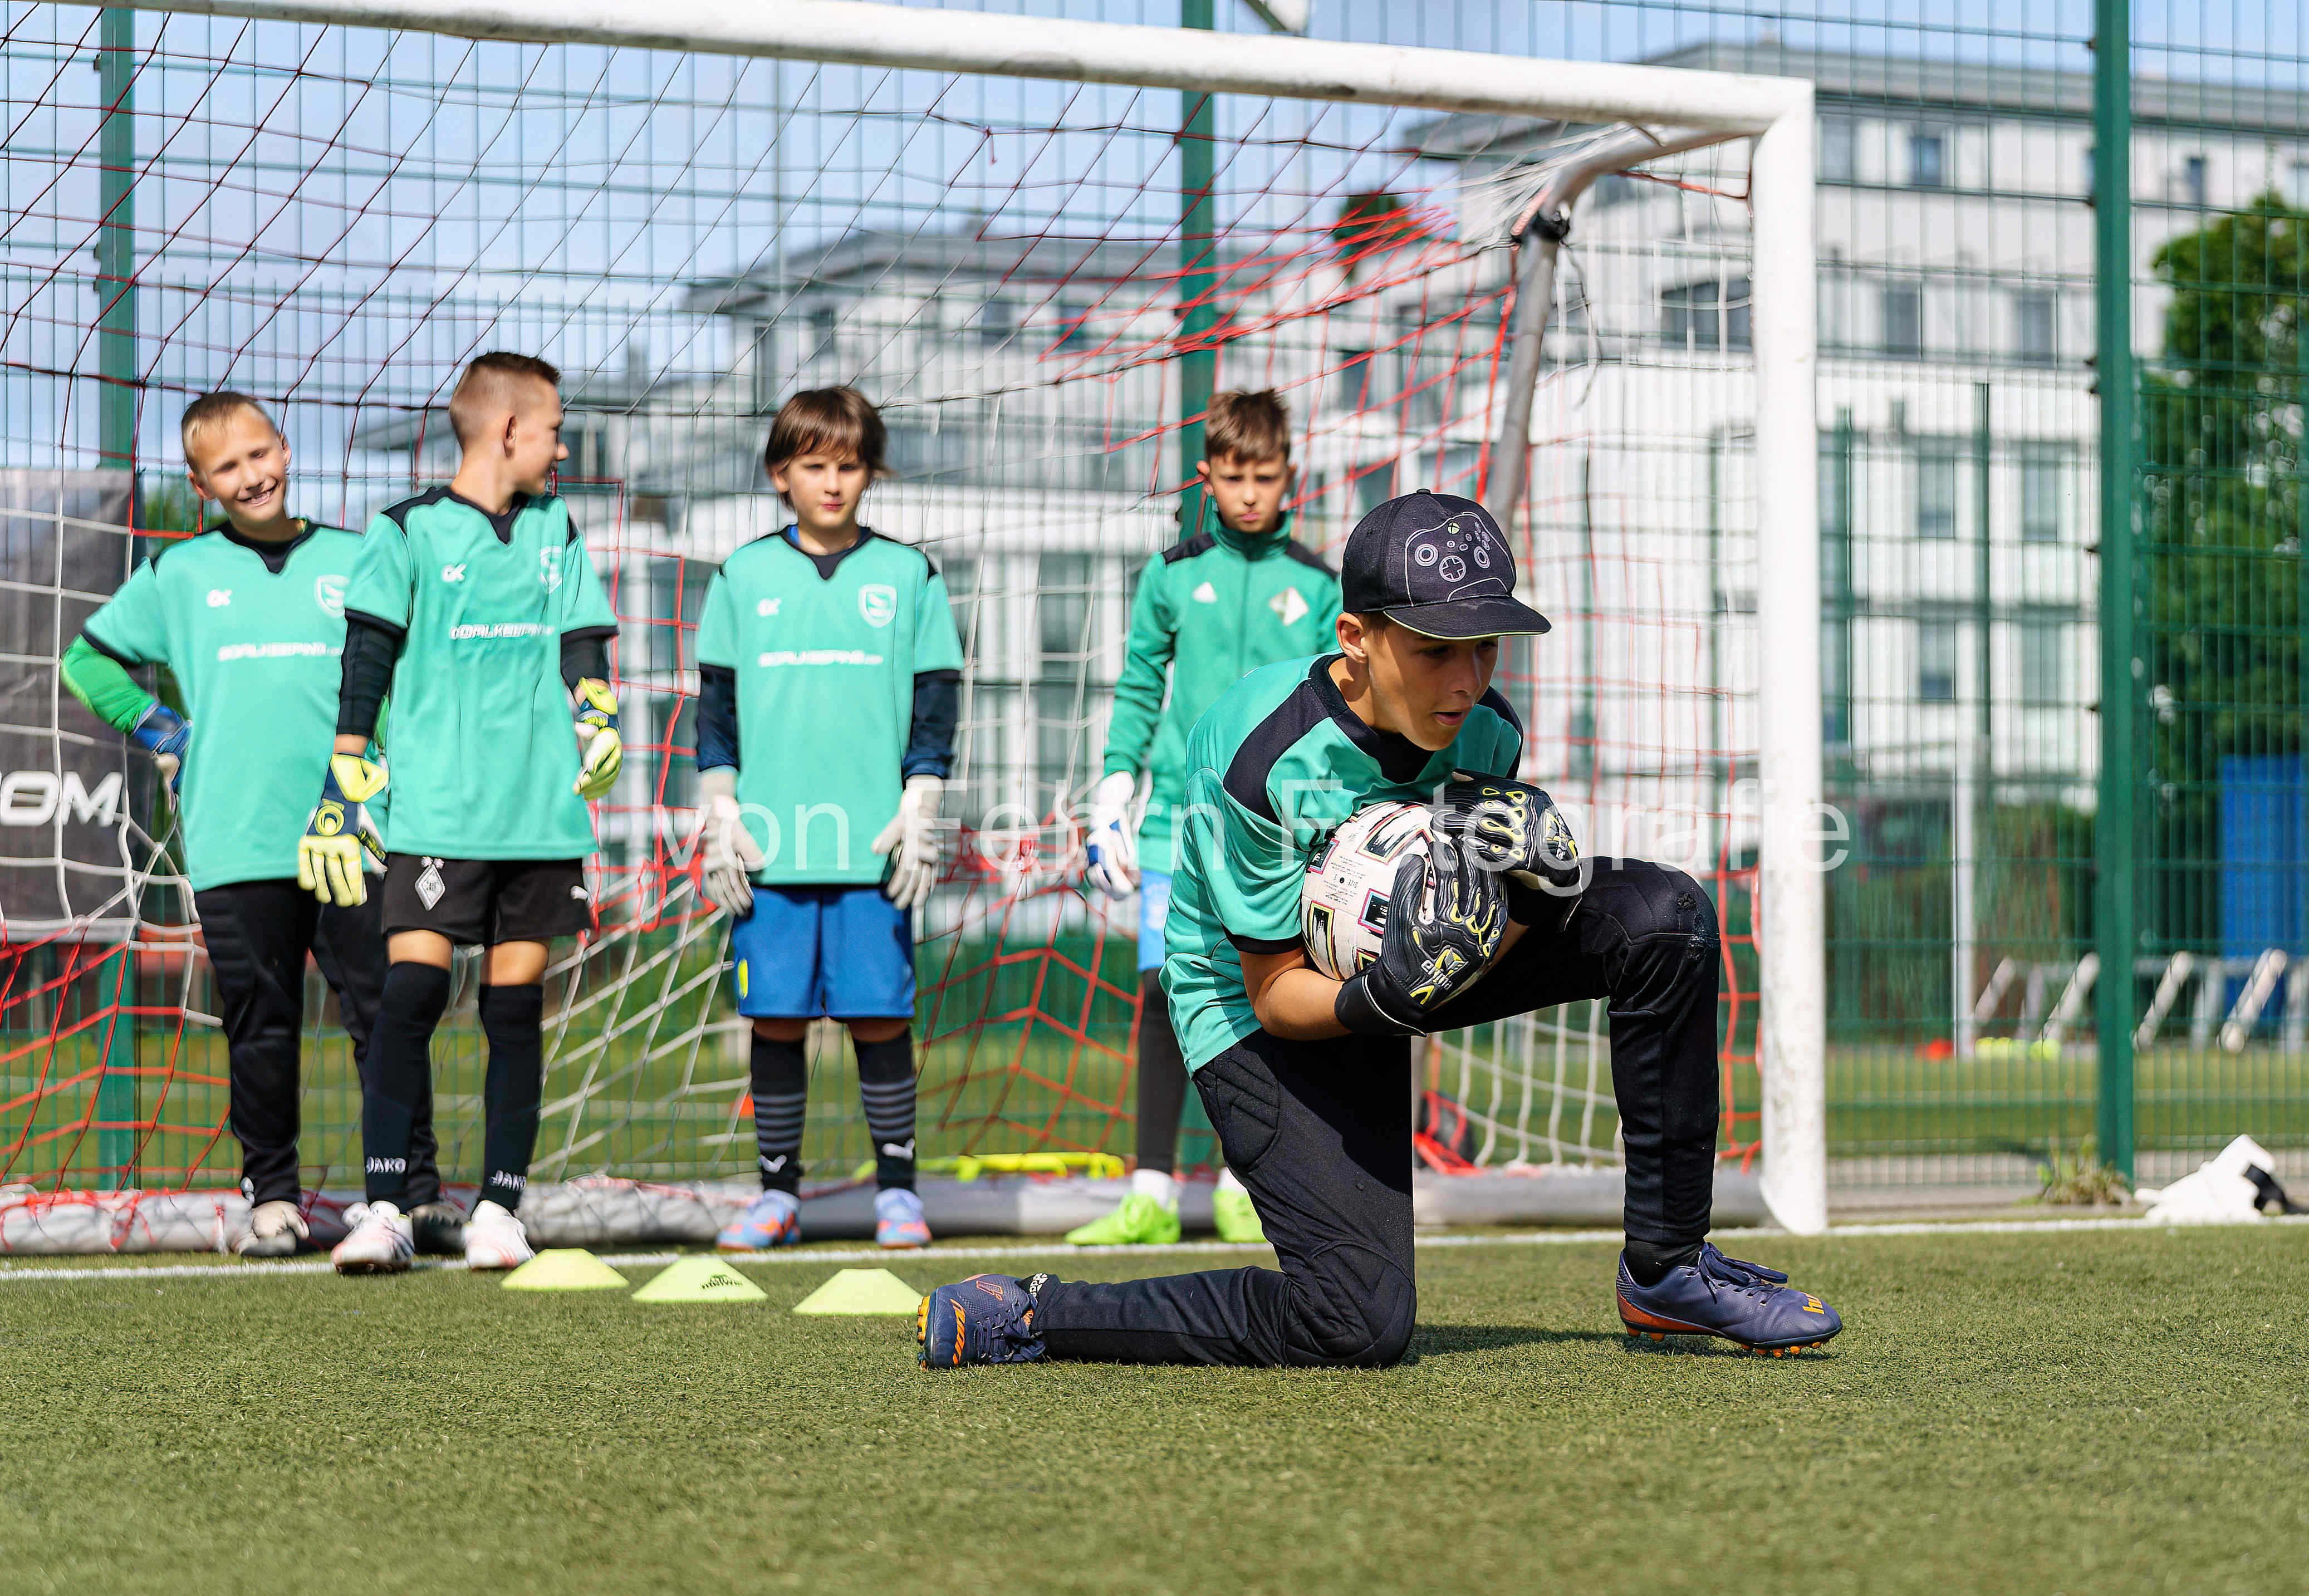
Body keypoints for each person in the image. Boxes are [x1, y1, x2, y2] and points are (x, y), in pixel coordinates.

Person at [918, 491, 1842, 1369]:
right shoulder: (1261, 756)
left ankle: (1668, 1268)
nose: (1468, 678)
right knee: (1356, 1320)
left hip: (1400, 973)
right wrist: (1389, 996)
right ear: (1355, 639)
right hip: (1255, 1004)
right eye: (1437, 649)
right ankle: (1040, 1309)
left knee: (1665, 919)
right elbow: (1277, 992)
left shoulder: (1485, 733)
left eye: (1485, 646)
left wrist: (1526, 898)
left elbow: (1472, 930)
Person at [60, 391, 449, 1258]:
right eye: (227, 466)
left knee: (386, 1011)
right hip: (236, 835)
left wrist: (380, 774)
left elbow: (405, 674)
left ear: (285, 449)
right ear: (200, 484)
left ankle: (417, 1194)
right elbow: (86, 660)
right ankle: (272, 1197)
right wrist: (164, 731)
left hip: (356, 831)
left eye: (261, 452)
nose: (252, 474)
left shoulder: (359, 558)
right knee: (259, 1020)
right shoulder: (181, 574)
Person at [311, 352, 621, 1275]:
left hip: (539, 815)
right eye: (557, 428)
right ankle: (387, 1207)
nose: (562, 445)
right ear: (511, 430)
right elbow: (366, 657)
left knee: (514, 1008)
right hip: (436, 813)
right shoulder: (405, 530)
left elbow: (583, 640)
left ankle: (499, 1209)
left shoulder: (556, 528)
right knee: (411, 995)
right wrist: (346, 768)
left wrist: (596, 716)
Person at [696, 387, 963, 1253]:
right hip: (771, 848)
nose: (834, 481)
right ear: (782, 474)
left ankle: (898, 1195)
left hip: (871, 847)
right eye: (815, 465)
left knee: (880, 1016)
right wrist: (719, 804)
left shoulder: (908, 573)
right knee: (773, 1017)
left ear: (870, 470)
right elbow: (716, 707)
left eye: (849, 464)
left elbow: (935, 701)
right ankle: (777, 1195)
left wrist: (923, 798)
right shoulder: (741, 574)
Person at [1073, 389, 1339, 1246]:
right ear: (1207, 477)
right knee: (1161, 991)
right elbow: (1140, 685)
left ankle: (1243, 1182)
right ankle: (1151, 1188)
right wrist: (1114, 786)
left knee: (1269, 998)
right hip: (1177, 831)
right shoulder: (1171, 573)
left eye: (1265, 475)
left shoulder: (1317, 582)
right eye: (1235, 475)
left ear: (1289, 476)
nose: (1251, 492)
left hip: (1276, 834)